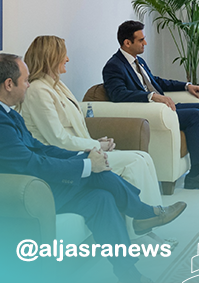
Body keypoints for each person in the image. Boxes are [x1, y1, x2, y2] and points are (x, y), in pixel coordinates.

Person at [0, 53, 186, 283]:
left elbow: (41, 149)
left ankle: (128, 273)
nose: (28, 85)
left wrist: (83, 156)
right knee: (99, 176)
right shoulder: (1, 122)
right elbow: (31, 164)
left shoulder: (10, 114)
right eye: (25, 80)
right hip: (30, 193)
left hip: (42, 184)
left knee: (101, 199)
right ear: (9, 84)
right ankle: (143, 213)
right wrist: (87, 165)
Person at [19, 35, 163, 239]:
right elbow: (58, 139)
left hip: (80, 148)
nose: (67, 59)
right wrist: (95, 146)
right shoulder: (37, 91)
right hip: (65, 155)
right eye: (63, 54)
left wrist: (96, 143)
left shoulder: (56, 85)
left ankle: (148, 222)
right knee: (134, 162)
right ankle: (141, 229)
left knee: (143, 157)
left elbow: (74, 126)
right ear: (51, 57)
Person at [102, 20, 199, 191]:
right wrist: (152, 96)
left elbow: (156, 81)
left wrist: (186, 86)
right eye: (141, 40)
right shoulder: (113, 66)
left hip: (165, 108)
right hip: (151, 113)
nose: (145, 43)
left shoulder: (139, 61)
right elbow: (118, 94)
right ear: (127, 43)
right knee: (196, 115)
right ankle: (196, 174)